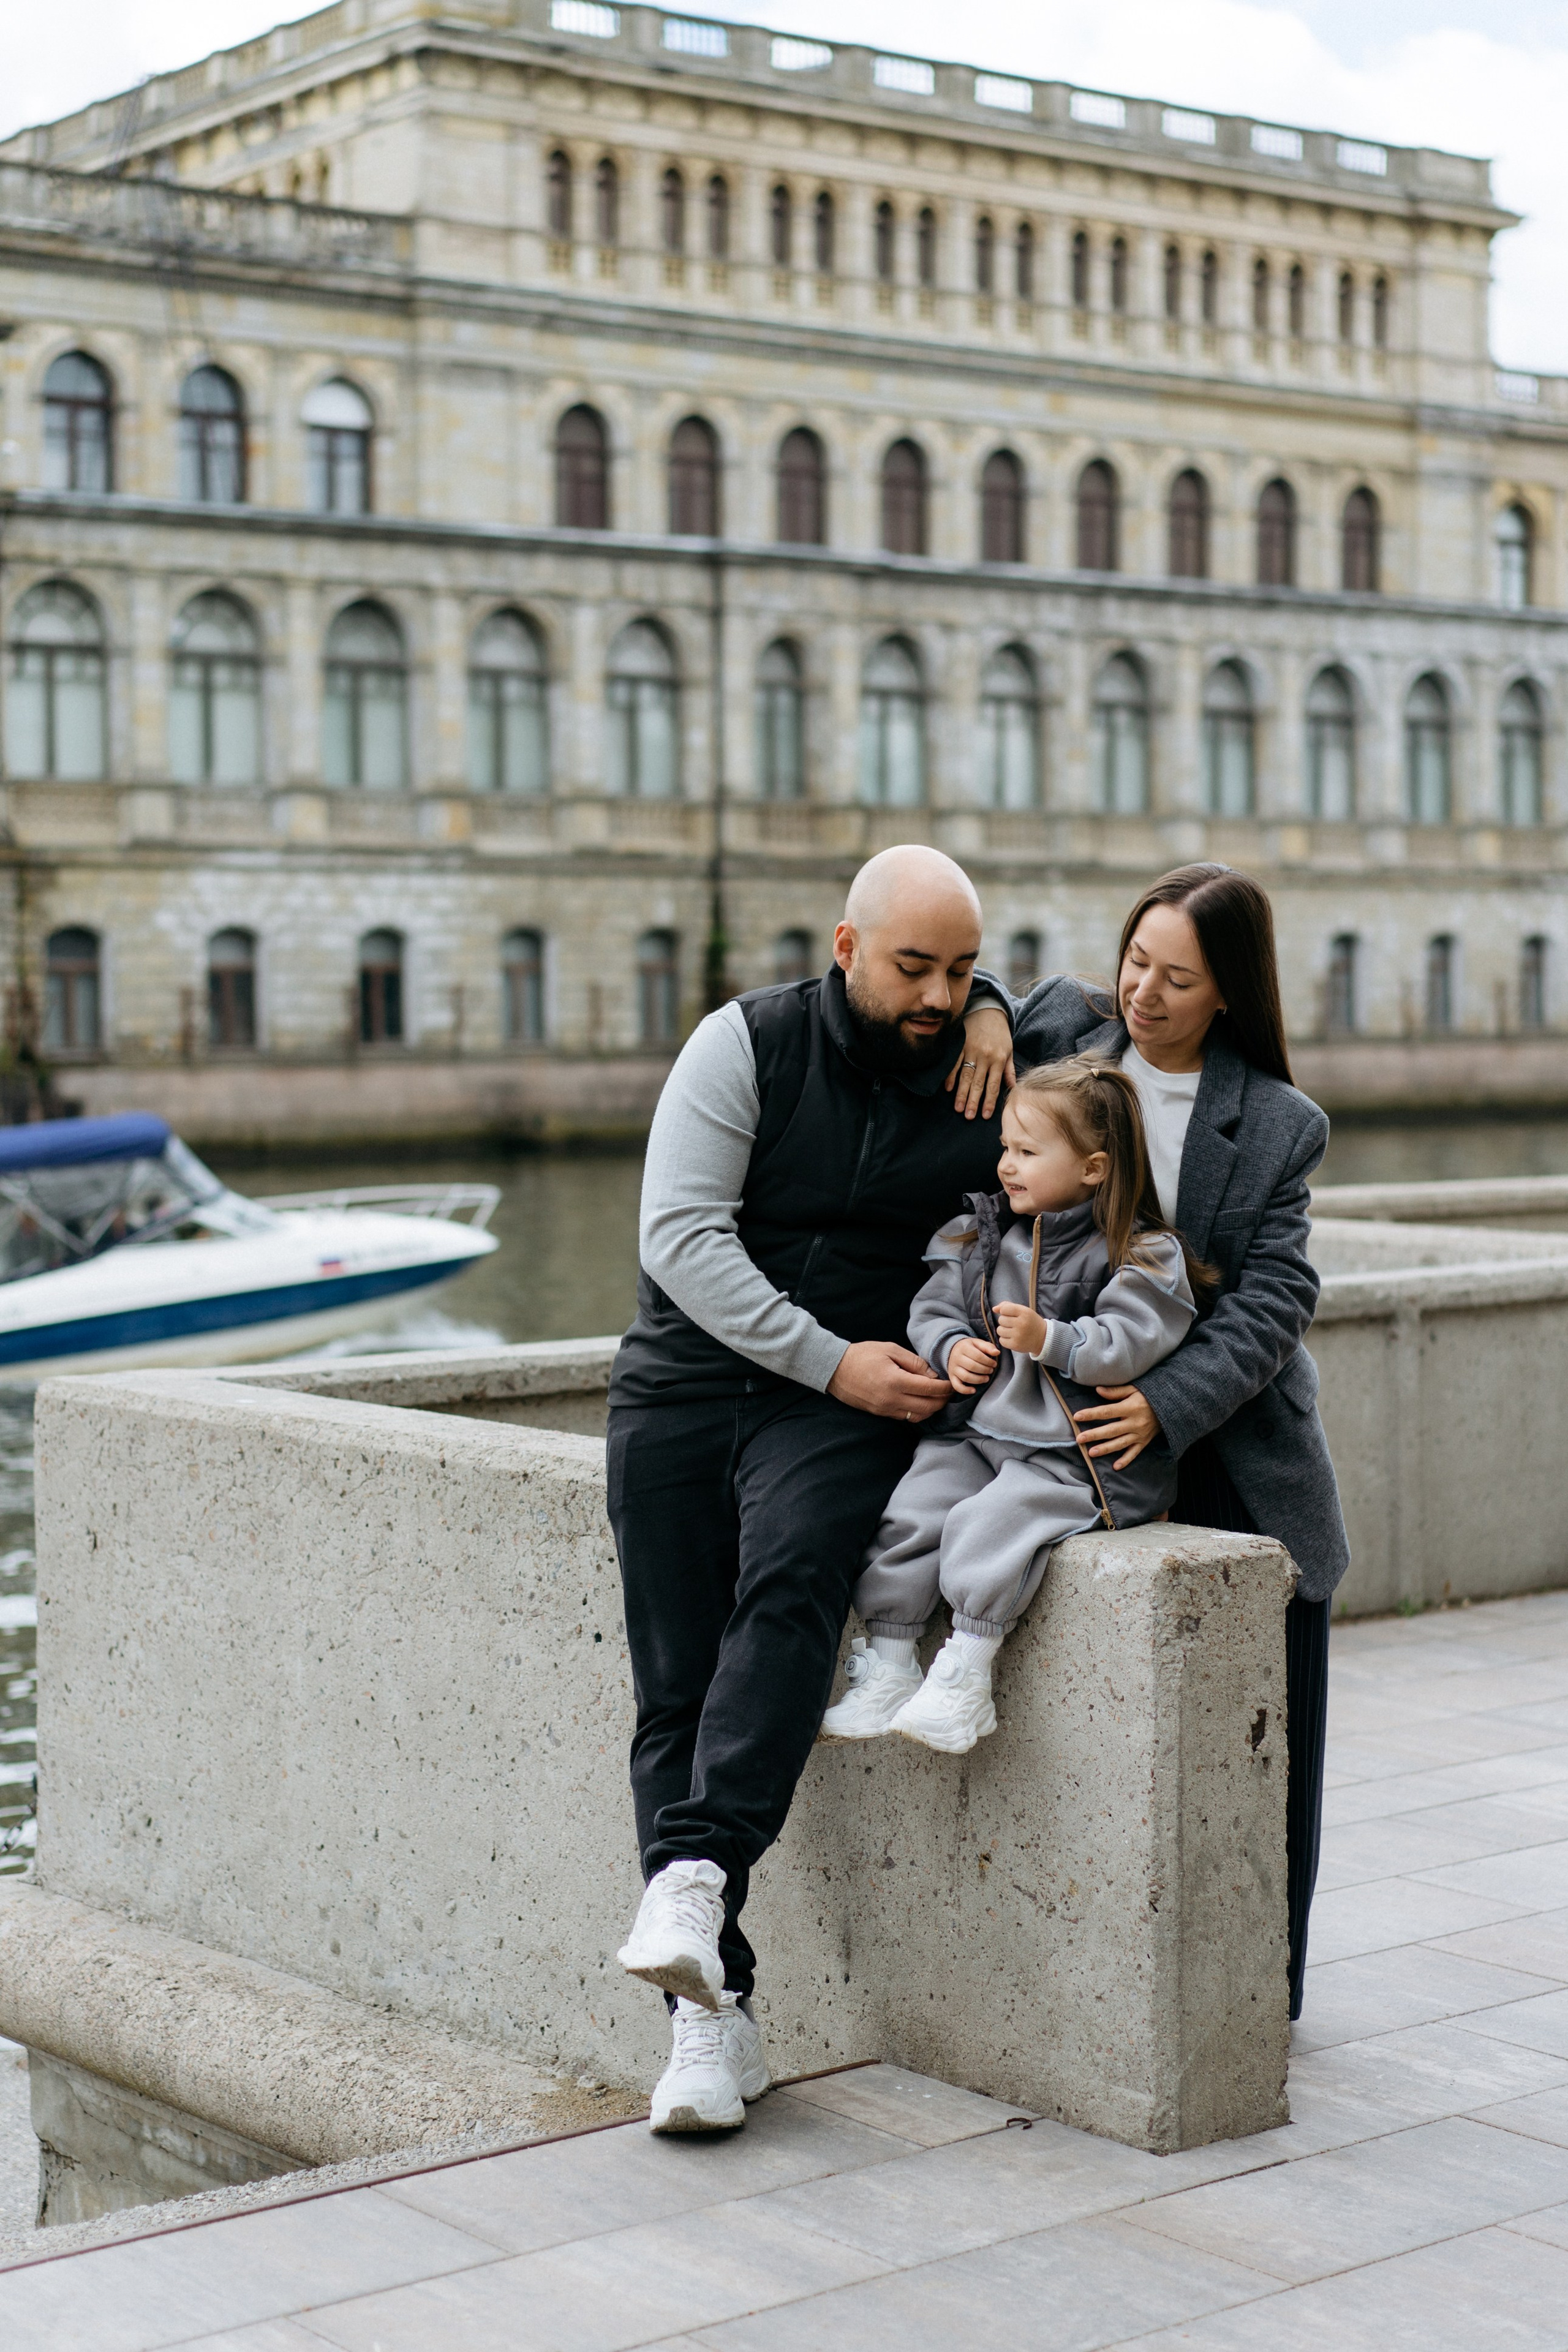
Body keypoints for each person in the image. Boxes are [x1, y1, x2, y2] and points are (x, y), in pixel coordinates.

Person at [606, 845, 1014, 2134]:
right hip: (692, 1380)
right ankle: (709, 2020)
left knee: (789, 1587)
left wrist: (1001, 1000)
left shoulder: (975, 1058)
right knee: (672, 1684)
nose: (936, 996)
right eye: (913, 967)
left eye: (959, 971)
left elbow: (1092, 1015)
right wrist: (827, 1359)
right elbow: (677, 1237)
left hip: (844, 1403)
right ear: (843, 948)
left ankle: (692, 1880)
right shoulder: (739, 1044)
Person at [962, 862, 1348, 2022]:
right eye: (1136, 960)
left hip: (1233, 1450)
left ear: (1229, 992)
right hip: (1060, 1439)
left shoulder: (1278, 1124)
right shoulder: (1070, 1024)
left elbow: (1279, 1301)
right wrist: (986, 1007)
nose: (1144, 993)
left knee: (1270, 1732)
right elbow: (969, 985)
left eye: (1178, 979)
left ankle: (1260, 1994)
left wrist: (1167, 1402)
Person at [821, 1057, 1210, 1755]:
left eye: (1028, 1152)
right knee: (911, 1512)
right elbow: (931, 1310)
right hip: (976, 1435)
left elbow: (1127, 1343)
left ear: (1093, 1168)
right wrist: (949, 1350)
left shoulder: (1143, 1254)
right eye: (1005, 1147)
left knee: (988, 1524)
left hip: (1071, 1455)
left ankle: (966, 1673)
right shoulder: (978, 1237)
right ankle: (889, 1660)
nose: (1007, 1165)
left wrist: (1052, 1339)